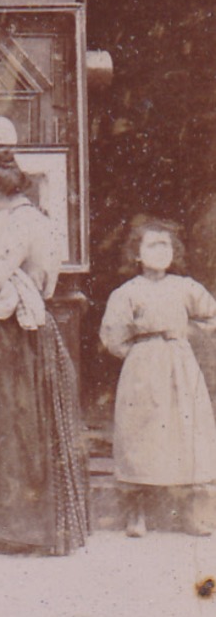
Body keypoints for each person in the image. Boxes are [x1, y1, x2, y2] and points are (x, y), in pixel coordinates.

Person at [0, 149, 90, 556]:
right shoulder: (35, 221)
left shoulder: (16, 224)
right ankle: (3, 525)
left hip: (15, 334)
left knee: (12, 423)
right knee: (8, 422)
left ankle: (15, 528)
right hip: (20, 332)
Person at [98, 219, 216, 537]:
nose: (160, 252)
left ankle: (190, 512)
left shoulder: (185, 287)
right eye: (152, 245)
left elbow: (210, 315)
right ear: (136, 253)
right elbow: (113, 336)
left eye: (166, 245)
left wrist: (186, 333)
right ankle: (136, 512)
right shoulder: (127, 293)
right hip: (143, 366)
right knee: (141, 431)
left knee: (184, 430)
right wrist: (142, 353)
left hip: (180, 363)